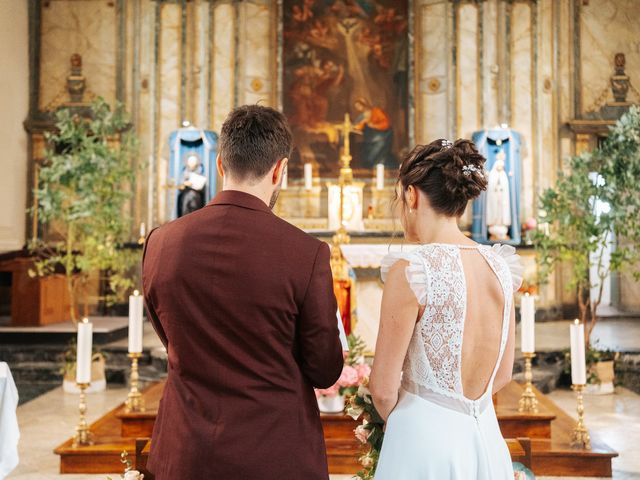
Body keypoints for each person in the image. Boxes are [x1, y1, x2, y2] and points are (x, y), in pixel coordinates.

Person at [142, 105, 344, 479]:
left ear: (219, 165)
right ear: (279, 169)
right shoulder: (306, 253)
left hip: (185, 452)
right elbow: (324, 369)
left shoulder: (161, 242)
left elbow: (169, 336)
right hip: (274, 454)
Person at [370, 139, 523, 479]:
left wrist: (410, 422)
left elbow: (382, 389)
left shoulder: (412, 268)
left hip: (422, 442)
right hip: (485, 436)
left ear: (412, 195)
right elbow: (503, 375)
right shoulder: (501, 266)